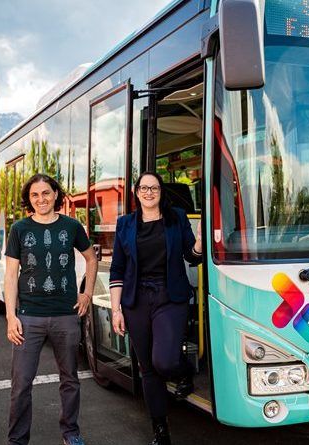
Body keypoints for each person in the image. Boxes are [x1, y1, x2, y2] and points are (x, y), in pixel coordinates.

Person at [109, 172, 202, 445]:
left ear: (161, 192)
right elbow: (117, 268)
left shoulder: (176, 218)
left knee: (165, 361)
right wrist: (116, 310)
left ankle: (183, 370)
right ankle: (160, 431)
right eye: (144, 188)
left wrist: (198, 241)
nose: (149, 192)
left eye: (155, 188)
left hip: (170, 297)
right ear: (137, 192)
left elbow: (191, 257)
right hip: (136, 301)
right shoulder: (125, 224)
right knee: (148, 368)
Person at [5, 174, 98, 445]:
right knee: (21, 384)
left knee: (70, 379)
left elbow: (91, 259)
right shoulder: (20, 229)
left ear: (56, 194)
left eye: (46, 193)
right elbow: (11, 275)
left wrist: (87, 294)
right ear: (29, 199)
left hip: (66, 315)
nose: (41, 199)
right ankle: (17, 440)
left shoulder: (71, 226)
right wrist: (11, 316)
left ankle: (71, 432)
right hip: (29, 317)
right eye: (35, 195)